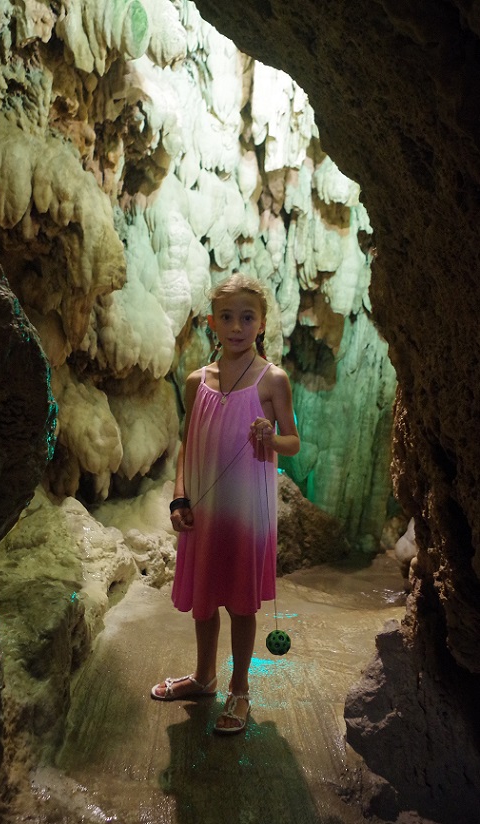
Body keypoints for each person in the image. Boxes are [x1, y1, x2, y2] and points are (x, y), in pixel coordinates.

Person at [151, 273, 300, 735]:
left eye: (247, 317)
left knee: (239, 602)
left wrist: (271, 437)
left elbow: (293, 442)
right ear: (212, 322)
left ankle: (240, 690)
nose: (237, 326)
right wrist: (180, 495)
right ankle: (203, 678)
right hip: (205, 508)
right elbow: (187, 444)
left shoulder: (272, 380)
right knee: (204, 598)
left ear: (261, 323)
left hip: (247, 510)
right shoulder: (198, 381)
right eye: (228, 317)